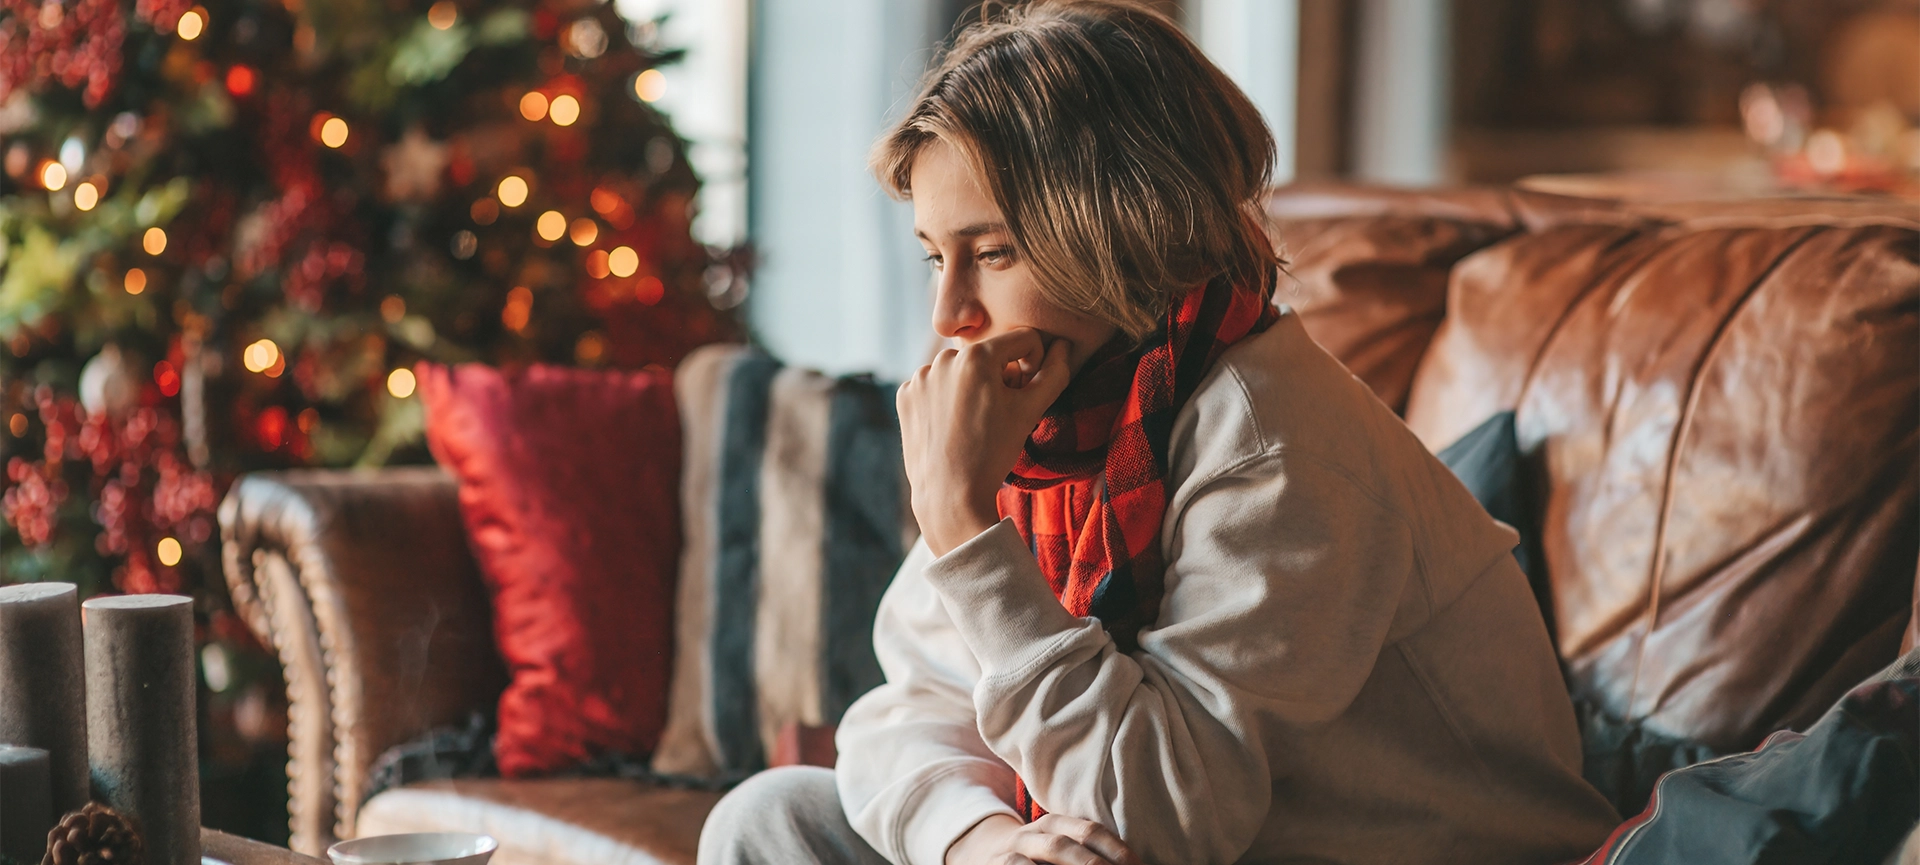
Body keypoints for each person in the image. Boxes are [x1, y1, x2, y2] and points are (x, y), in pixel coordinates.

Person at [699, 2, 1620, 863]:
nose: (949, 313)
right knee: (768, 817)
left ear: (1117, 230)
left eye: (993, 253)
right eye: (937, 255)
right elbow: (915, 705)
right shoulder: (1056, 426)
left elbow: (1163, 817)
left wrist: (965, 531)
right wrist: (978, 838)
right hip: (1173, 824)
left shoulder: (1270, 442)